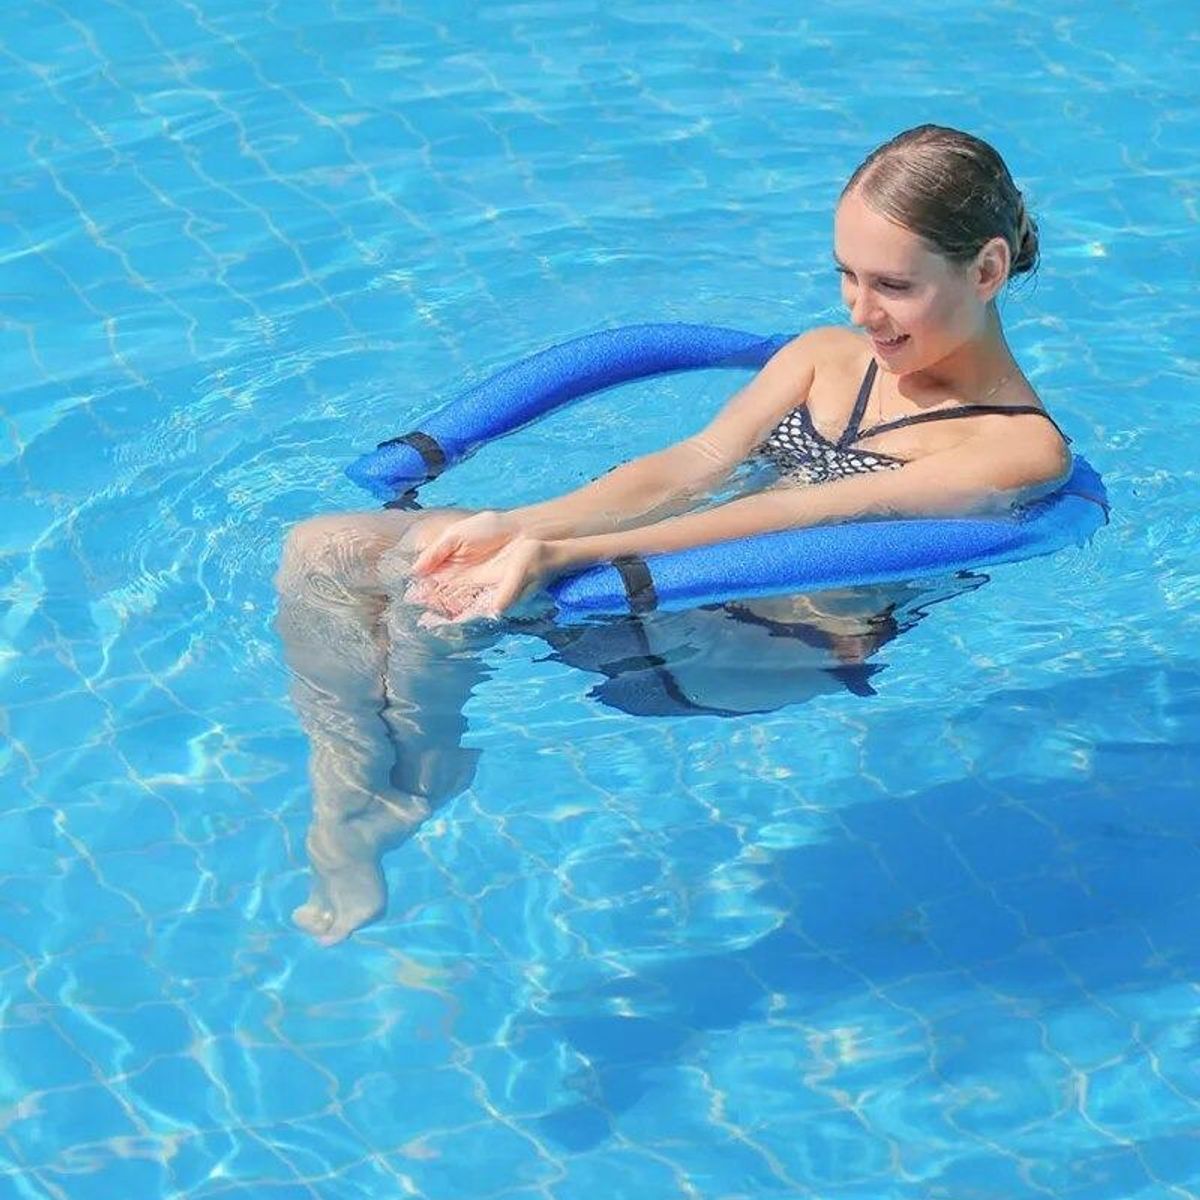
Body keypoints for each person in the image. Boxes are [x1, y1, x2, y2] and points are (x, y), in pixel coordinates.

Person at [276, 125, 1070, 944]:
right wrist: (515, 525)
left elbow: (805, 515)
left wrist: (566, 555)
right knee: (323, 549)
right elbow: (689, 465)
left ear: (986, 270)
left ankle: (412, 787)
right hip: (653, 590)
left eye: (894, 286)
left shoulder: (1014, 447)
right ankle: (347, 791)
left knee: (433, 591)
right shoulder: (824, 357)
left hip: (764, 644)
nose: (860, 310)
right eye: (847, 275)